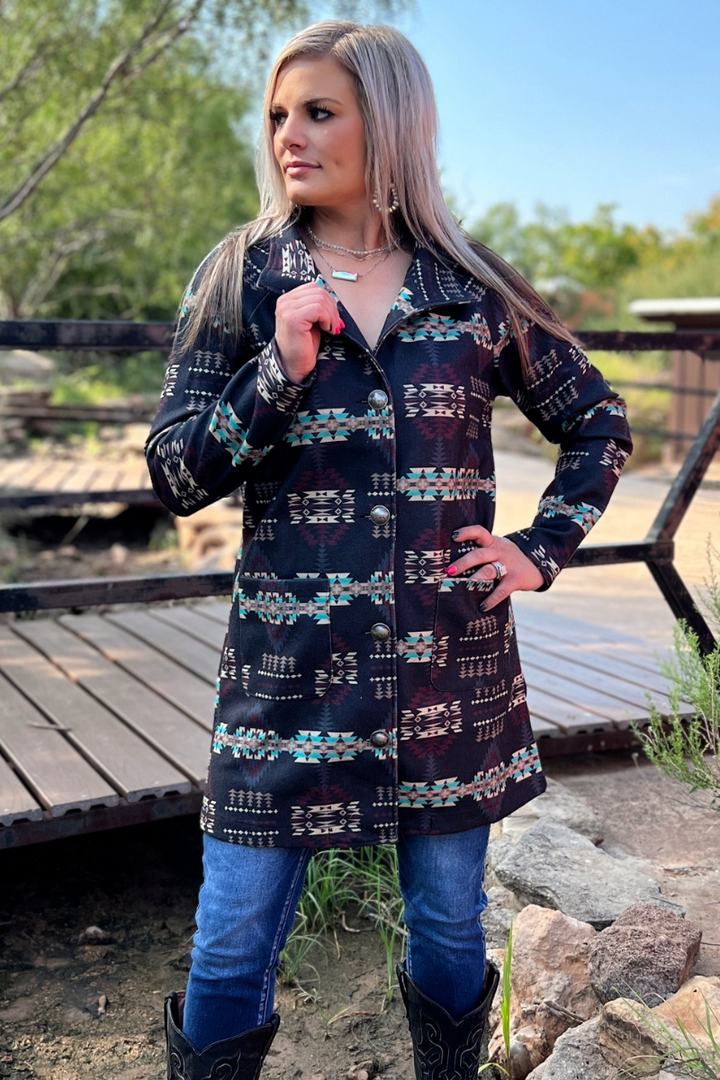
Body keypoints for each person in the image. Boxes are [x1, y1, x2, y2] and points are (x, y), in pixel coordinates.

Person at [145, 19, 632, 1080]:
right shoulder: (240, 276)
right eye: (279, 114)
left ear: (391, 124)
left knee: (449, 930)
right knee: (229, 944)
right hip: (285, 683)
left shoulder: (473, 287)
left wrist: (537, 548)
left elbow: (599, 422)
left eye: (319, 112)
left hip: (445, 677)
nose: (289, 135)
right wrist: (275, 374)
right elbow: (175, 474)